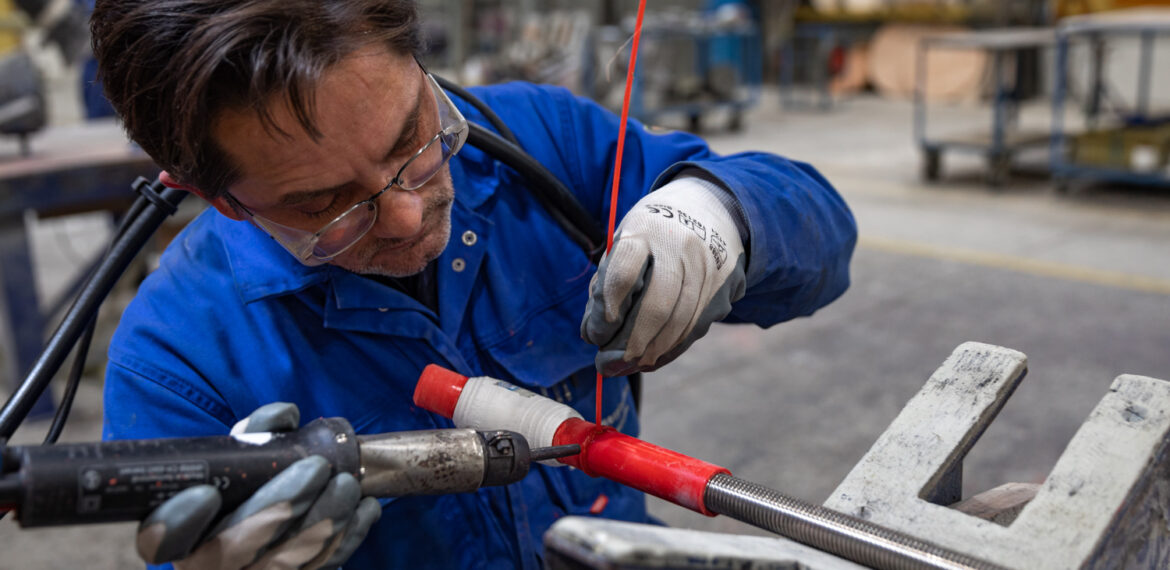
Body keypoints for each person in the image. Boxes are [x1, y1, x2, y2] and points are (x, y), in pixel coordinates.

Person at [91, 1, 857, 568]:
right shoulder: (174, 367)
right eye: (323, 202)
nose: (405, 213)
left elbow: (825, 238)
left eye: (412, 142)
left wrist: (728, 214)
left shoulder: (542, 143)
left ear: (420, 63)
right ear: (220, 199)